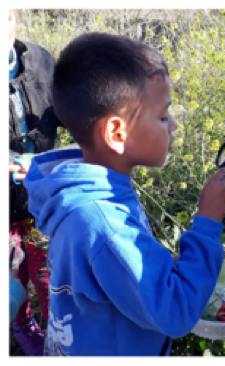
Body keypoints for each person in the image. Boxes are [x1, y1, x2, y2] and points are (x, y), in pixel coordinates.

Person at [24, 33, 225, 356]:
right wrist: (207, 223)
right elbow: (176, 312)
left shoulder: (83, 188)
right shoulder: (104, 221)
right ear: (116, 133)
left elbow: (108, 274)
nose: (174, 125)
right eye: (163, 116)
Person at [8, 9, 64, 356]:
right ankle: (22, 328)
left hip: (42, 199)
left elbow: (70, 116)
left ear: (13, 17)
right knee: (11, 284)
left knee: (50, 278)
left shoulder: (42, 60)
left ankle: (56, 334)